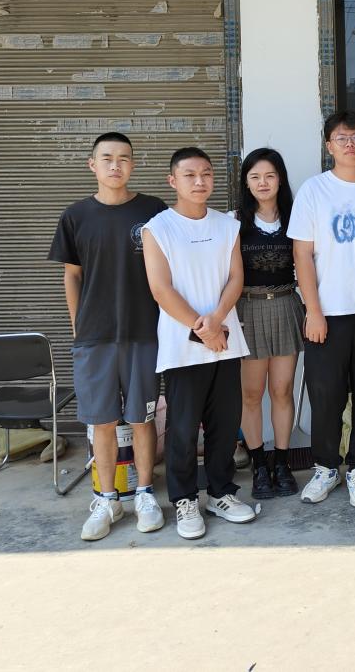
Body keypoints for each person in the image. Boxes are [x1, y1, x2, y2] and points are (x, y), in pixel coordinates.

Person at [48, 132, 168, 541]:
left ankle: (145, 494)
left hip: (143, 332)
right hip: (94, 337)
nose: (116, 165)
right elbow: (72, 275)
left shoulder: (153, 210)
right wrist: (77, 325)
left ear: (133, 164)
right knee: (102, 420)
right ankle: (107, 499)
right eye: (107, 158)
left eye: (124, 158)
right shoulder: (76, 215)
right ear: (92, 164)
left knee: (142, 417)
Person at [142, 147, 256, 540]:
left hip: (226, 340)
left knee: (225, 425)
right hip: (182, 346)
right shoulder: (158, 228)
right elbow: (160, 289)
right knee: (183, 429)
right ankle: (185, 499)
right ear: (172, 181)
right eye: (189, 175)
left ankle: (221, 493)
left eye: (206, 173)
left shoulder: (227, 225)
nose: (199, 181)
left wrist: (217, 319)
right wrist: (200, 326)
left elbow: (236, 278)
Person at [289, 110, 355, 508]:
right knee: (326, 396)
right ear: (329, 146)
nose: (349, 144)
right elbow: (302, 254)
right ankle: (325, 467)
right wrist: (313, 310)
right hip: (328, 313)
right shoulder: (314, 190)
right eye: (341, 138)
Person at [236, 147, 303, 501]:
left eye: (270, 176)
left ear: (280, 180)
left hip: (286, 305)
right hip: (247, 309)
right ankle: (259, 464)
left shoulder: (296, 218)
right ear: (246, 183)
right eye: (255, 176)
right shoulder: (234, 222)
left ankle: (282, 462)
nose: (263, 183)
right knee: (251, 394)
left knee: (282, 390)